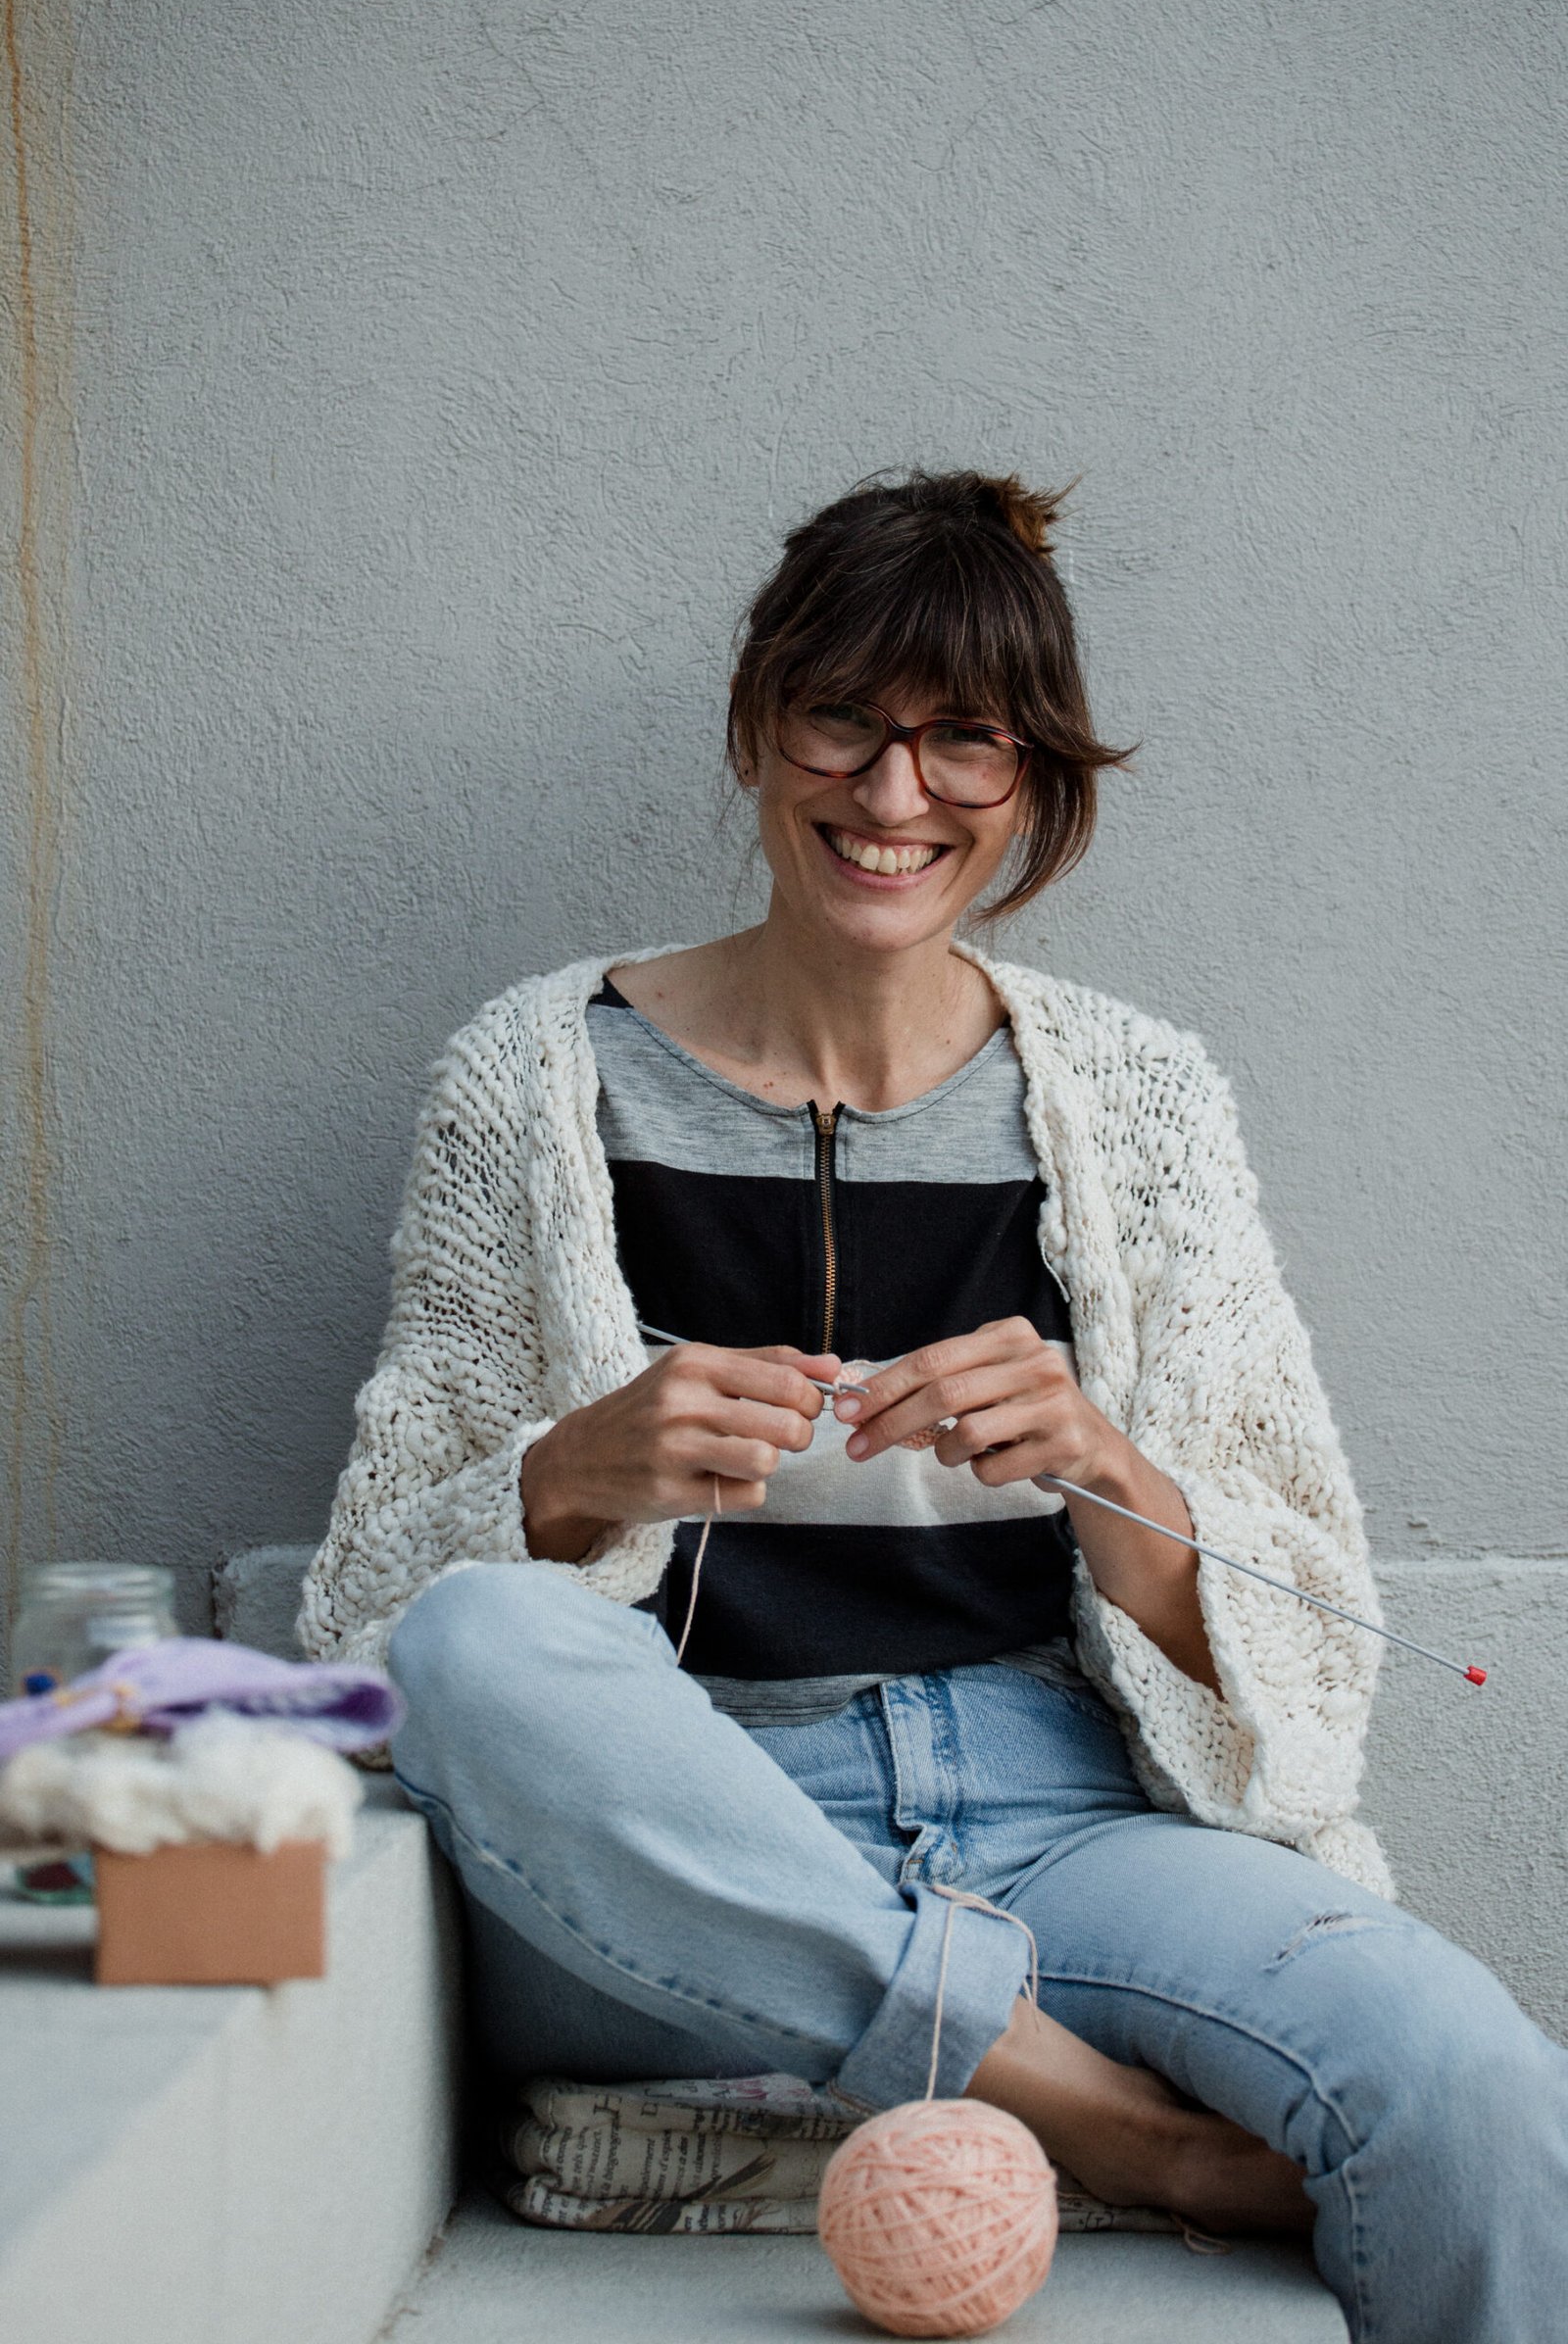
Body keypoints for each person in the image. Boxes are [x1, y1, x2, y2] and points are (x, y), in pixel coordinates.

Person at [299, 469, 1567, 2341]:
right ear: (757, 728)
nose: (893, 800)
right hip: (696, 1836)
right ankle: (1098, 2124)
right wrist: (572, 1476)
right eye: (843, 724)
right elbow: (370, 1626)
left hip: (1067, 1816)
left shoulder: (1138, 1097)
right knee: (482, 1635)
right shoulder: (538, 1074)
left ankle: (986, 2044)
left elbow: (1308, 1624)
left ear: (1035, 779)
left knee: (1475, 2093)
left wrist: (1104, 1464)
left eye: (962, 743)